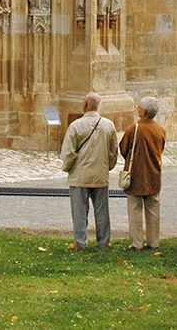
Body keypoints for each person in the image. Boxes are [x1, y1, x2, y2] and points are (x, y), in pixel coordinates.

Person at [60, 92, 119, 249]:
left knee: (79, 211)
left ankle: (81, 242)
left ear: (85, 105)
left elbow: (68, 152)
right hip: (100, 174)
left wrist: (67, 167)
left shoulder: (75, 126)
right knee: (102, 211)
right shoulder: (108, 125)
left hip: (80, 175)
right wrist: (108, 166)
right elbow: (113, 152)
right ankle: (103, 242)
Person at [119, 96, 167, 250]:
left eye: (139, 107)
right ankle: (153, 241)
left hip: (136, 172)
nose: (138, 109)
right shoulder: (160, 129)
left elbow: (124, 148)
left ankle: (136, 242)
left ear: (144, 111)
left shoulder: (134, 128)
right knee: (153, 208)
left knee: (134, 209)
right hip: (154, 173)